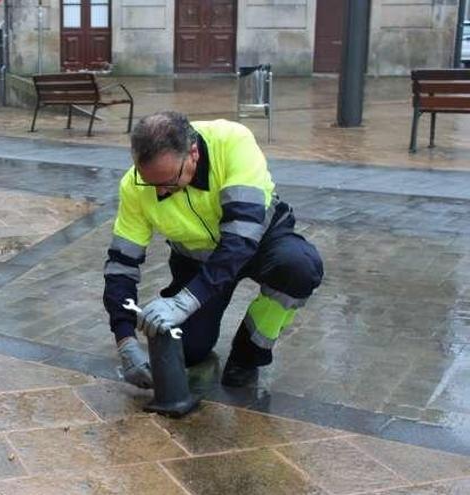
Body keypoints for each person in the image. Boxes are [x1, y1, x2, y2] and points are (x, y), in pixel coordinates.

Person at [103, 111, 323, 388]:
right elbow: (121, 265)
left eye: (168, 181)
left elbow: (240, 238)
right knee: (187, 350)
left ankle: (248, 354)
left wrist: (185, 302)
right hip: (197, 260)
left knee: (299, 268)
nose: (159, 193)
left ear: (193, 153)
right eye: (150, 183)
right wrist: (125, 340)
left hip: (258, 240)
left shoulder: (233, 142)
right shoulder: (134, 186)